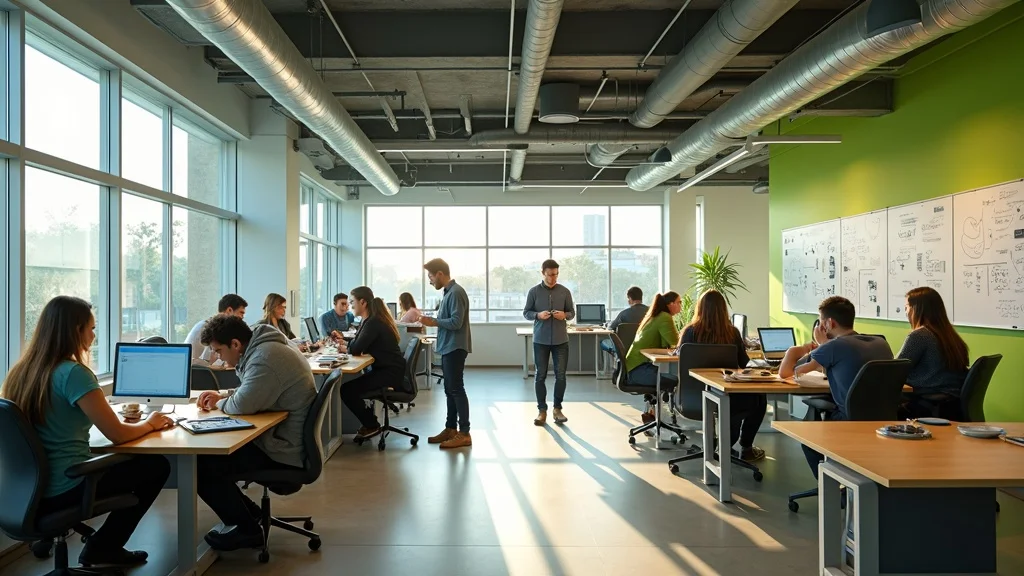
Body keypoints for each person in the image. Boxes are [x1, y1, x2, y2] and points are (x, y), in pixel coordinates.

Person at [0, 296, 172, 568]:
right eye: (91, 328)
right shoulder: (74, 373)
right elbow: (117, 434)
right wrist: (150, 423)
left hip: (25, 491)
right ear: (75, 330)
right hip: (68, 484)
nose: (94, 334)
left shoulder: (21, 372)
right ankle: (104, 547)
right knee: (156, 466)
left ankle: (102, 546)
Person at [194, 315, 316, 550]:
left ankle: (247, 530)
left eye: (219, 351)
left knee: (201, 466)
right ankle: (250, 515)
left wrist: (218, 403)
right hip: (284, 441)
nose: (218, 357)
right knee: (210, 459)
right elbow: (253, 387)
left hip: (282, 453)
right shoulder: (265, 347)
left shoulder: (266, 358)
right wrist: (224, 395)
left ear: (236, 344)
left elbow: (242, 405)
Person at [779, 296, 893, 477]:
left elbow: (788, 373)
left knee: (808, 442)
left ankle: (833, 488)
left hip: (847, 420)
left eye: (821, 322)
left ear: (829, 323)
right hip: (885, 421)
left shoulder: (834, 347)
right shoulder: (880, 342)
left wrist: (793, 351)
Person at [679, 290, 767, 462]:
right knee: (759, 398)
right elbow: (744, 364)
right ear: (723, 309)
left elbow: (682, 364)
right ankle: (745, 447)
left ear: (700, 309)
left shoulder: (689, 332)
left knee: (735, 404)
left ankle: (722, 445)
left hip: (693, 397)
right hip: (729, 397)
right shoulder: (732, 333)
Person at [420, 258, 473, 449]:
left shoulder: (456, 293)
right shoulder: (448, 292)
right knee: (449, 389)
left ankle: (464, 433)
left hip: (455, 347)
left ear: (440, 274)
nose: (430, 280)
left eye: (431, 276)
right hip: (448, 346)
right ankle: (451, 428)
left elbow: (456, 322)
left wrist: (433, 322)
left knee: (456, 388)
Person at [340, 286, 406, 438]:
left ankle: (371, 424)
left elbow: (356, 349)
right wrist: (348, 345)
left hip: (389, 373)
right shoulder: (371, 320)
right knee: (351, 387)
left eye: (352, 302)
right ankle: (369, 421)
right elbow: (358, 344)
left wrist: (347, 347)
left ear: (362, 302)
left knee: (346, 390)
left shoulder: (373, 322)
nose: (350, 305)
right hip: (389, 370)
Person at [898, 286, 970, 418]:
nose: (905, 312)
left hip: (927, 406)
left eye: (907, 307)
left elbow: (896, 369)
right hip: (951, 405)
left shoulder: (919, 335)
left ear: (917, 309)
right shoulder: (950, 336)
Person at [523, 259, 575, 426]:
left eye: (556, 274)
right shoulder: (534, 292)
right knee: (540, 375)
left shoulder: (565, 291)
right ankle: (542, 411)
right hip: (541, 340)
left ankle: (557, 409)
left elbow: (572, 312)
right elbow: (526, 313)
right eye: (550, 275)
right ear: (543, 273)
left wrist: (564, 315)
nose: (554, 278)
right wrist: (538, 315)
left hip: (561, 340)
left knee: (561, 376)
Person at [623, 292, 682, 421]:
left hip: (633, 368)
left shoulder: (656, 316)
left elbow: (665, 343)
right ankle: (670, 415)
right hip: (638, 371)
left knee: (666, 375)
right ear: (670, 304)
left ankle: (651, 412)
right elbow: (676, 342)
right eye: (679, 302)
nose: (680, 306)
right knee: (675, 380)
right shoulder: (664, 317)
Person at [184, 293, 247, 366]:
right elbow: (209, 361)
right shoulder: (207, 328)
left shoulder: (219, 329)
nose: (242, 317)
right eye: (241, 313)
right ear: (229, 310)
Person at [601, 286, 648, 355]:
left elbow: (611, 328)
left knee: (603, 342)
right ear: (641, 297)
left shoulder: (624, 314)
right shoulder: (651, 312)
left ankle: (613, 364)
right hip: (646, 348)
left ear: (630, 298)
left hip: (625, 349)